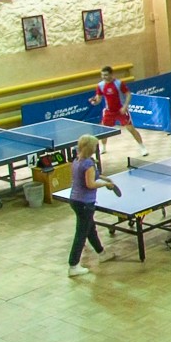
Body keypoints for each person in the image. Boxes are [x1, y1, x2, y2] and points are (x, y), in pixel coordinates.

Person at [66, 134, 117, 277]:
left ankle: (102, 253)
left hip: (75, 200)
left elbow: (92, 176)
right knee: (81, 234)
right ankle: (73, 265)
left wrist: (104, 178)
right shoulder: (88, 164)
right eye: (95, 146)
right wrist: (105, 184)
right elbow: (90, 184)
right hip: (84, 203)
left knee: (90, 229)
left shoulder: (77, 160)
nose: (96, 148)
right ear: (90, 148)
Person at [90, 66, 148, 156]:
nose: (104, 77)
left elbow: (128, 94)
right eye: (102, 75)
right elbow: (98, 99)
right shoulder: (100, 85)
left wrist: (125, 106)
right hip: (109, 111)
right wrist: (94, 102)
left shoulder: (119, 83)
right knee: (104, 130)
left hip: (121, 110)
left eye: (106, 75)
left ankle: (142, 147)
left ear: (111, 74)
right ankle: (103, 147)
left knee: (130, 129)